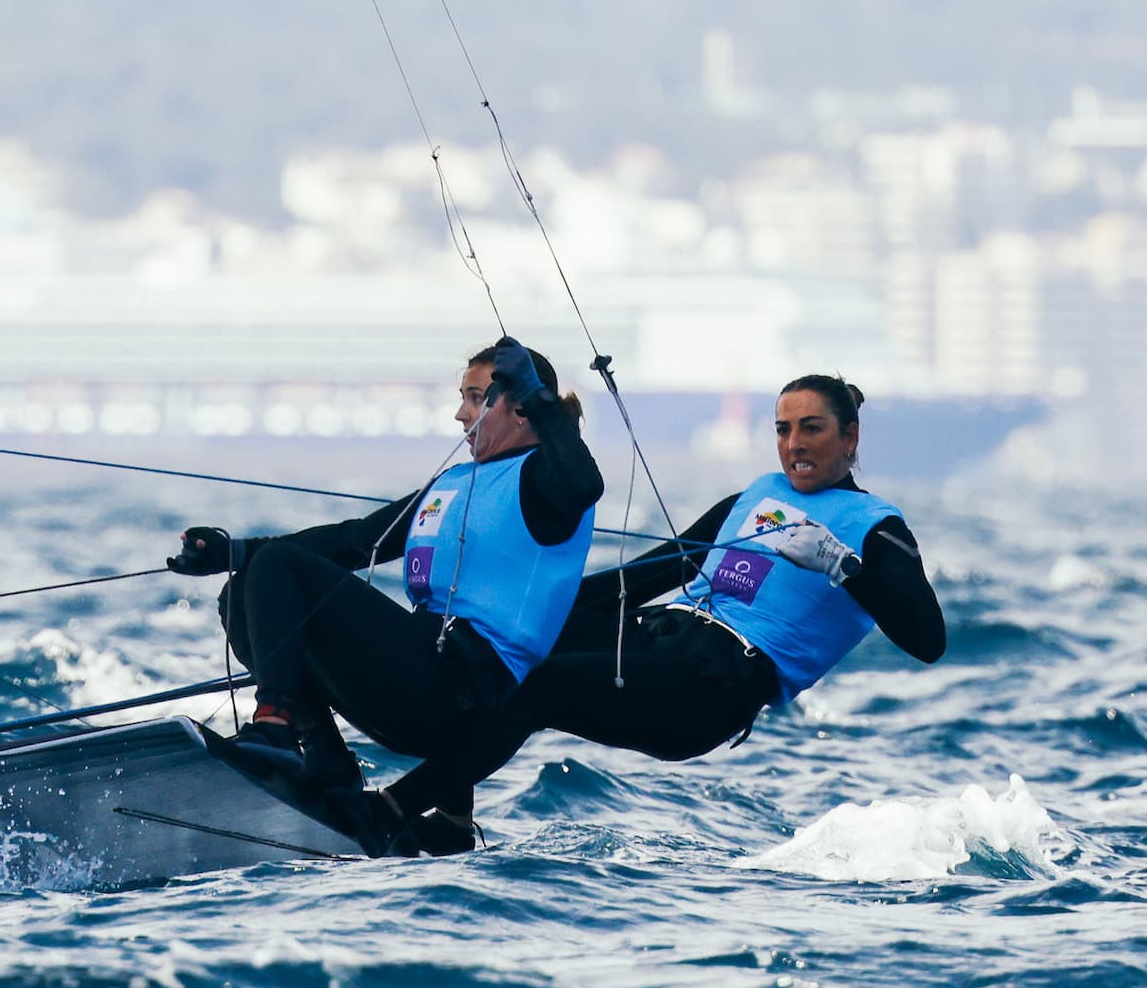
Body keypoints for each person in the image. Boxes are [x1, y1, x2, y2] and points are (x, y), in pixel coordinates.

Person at [374, 374, 947, 847]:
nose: (794, 443)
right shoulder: (757, 495)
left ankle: (390, 810)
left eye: (812, 429)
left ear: (850, 438)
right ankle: (444, 821)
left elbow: (928, 640)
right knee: (495, 642)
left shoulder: (878, 528)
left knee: (537, 687)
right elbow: (651, 573)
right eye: (783, 429)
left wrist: (840, 565)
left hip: (709, 688)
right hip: (654, 639)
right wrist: (524, 601)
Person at [169, 337, 604, 852]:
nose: (459, 414)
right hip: (419, 679)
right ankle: (327, 762)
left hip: (461, 698)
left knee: (278, 568)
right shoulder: (456, 482)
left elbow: (583, 483)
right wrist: (232, 552)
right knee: (245, 592)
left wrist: (541, 402)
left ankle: (275, 729)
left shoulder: (547, 485)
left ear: (520, 408)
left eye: (474, 397)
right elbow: (352, 541)